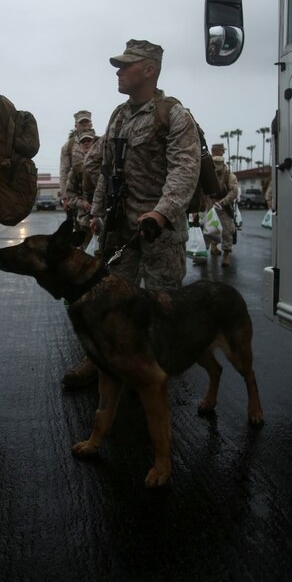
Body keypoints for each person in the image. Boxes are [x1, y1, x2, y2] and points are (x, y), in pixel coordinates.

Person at [63, 38, 201, 389]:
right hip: (119, 229)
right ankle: (101, 361)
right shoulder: (119, 115)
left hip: (159, 232)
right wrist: (95, 213)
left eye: (126, 65)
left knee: (161, 305)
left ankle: (155, 373)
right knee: (107, 301)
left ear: (150, 70)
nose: (119, 72)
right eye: (119, 66)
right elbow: (108, 170)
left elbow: (184, 170)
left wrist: (161, 213)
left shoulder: (173, 115)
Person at [206, 154, 239, 266]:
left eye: (219, 164)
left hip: (224, 207)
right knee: (209, 228)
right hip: (211, 206)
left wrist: (223, 202)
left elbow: (234, 192)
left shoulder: (230, 176)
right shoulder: (209, 175)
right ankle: (211, 248)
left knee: (227, 230)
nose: (217, 166)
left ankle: (226, 254)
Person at [64, 129, 98, 234]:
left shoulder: (105, 164)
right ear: (80, 145)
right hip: (84, 221)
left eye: (89, 140)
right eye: (83, 142)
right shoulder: (76, 169)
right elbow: (70, 194)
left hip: (102, 218)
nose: (86, 143)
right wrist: (82, 203)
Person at [59, 110, 94, 210]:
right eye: (81, 123)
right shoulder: (68, 146)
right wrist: (65, 198)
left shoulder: (100, 142)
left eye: (86, 122)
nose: (84, 125)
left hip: (98, 195)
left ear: (91, 123)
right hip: (77, 196)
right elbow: (64, 172)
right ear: (76, 125)